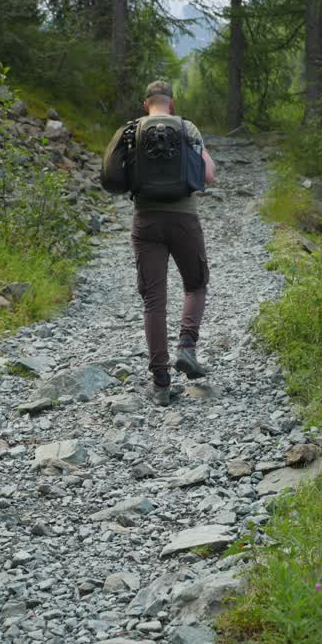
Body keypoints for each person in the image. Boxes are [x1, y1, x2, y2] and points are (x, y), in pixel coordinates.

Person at [102, 80, 217, 406]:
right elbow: (208, 176)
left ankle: (161, 384)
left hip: (146, 220)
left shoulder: (131, 129)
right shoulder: (188, 128)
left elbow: (112, 177)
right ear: (172, 103)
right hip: (184, 219)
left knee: (154, 300)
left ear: (145, 103)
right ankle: (186, 348)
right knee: (195, 285)